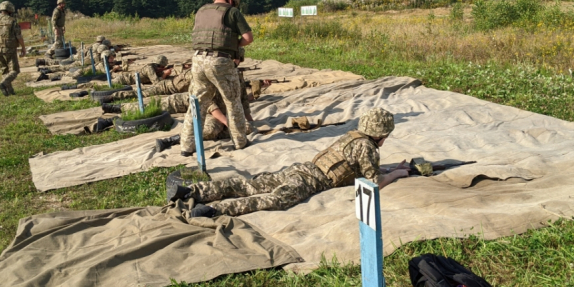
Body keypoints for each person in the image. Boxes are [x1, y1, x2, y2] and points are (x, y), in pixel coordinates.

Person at [172, 108, 410, 218]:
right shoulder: (368, 146)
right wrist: (396, 175)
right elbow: (374, 182)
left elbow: (361, 166)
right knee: (273, 200)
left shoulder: (353, 136)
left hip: (300, 168)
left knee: (249, 185)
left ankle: (191, 190)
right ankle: (214, 210)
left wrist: (391, 168)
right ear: (382, 134)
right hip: (310, 181)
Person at [179, 0, 253, 155]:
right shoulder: (232, 12)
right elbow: (248, 38)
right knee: (233, 102)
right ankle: (240, 142)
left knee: (197, 105)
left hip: (197, 60)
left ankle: (187, 146)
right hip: (220, 62)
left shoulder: (201, 11)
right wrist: (234, 46)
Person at [101, 61, 192, 102]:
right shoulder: (150, 68)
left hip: (167, 86)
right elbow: (156, 82)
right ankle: (114, 97)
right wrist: (164, 74)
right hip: (163, 87)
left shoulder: (155, 69)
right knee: (141, 94)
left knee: (141, 93)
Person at [0, 1, 26, 96]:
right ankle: (4, 83)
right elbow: (18, 36)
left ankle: (9, 91)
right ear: (10, 10)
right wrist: (23, 48)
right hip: (9, 48)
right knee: (14, 70)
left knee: (4, 70)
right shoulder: (12, 21)